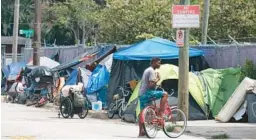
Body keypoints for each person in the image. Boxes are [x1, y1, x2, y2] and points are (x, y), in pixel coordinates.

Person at [138, 57, 168, 137]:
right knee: (165, 94)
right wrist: (158, 79)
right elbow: (151, 85)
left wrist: (156, 84)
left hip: (141, 94)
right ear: (154, 62)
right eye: (158, 62)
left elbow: (149, 84)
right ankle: (161, 114)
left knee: (142, 112)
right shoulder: (151, 71)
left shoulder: (147, 70)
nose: (160, 64)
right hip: (147, 93)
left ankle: (141, 132)